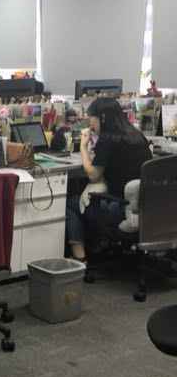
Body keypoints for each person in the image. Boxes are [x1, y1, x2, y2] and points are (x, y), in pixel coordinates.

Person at [65, 97, 152, 262]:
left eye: (92, 118)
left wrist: (83, 147)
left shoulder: (108, 139)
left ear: (102, 118)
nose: (90, 123)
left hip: (119, 208)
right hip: (145, 208)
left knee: (70, 203)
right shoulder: (137, 135)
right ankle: (98, 244)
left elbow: (93, 175)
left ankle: (79, 256)